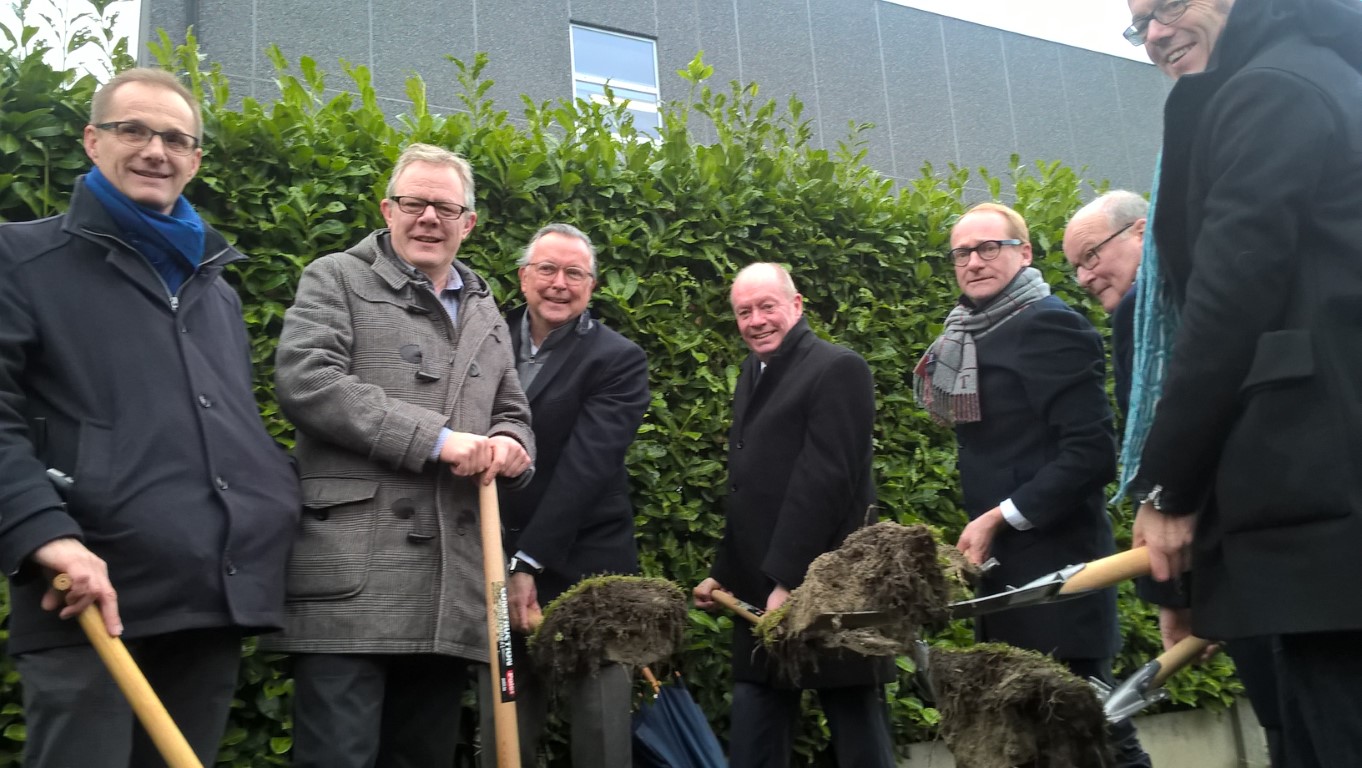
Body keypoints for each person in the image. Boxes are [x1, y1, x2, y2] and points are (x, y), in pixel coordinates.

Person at [0, 68, 301, 767]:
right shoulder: (21, 260)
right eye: (133, 129)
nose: (154, 150)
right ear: (91, 140)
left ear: (195, 160)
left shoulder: (213, 285)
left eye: (174, 138)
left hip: (208, 593)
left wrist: (270, 501)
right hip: (87, 592)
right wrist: (49, 537)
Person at [1120, 0, 1362, 764]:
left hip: (1327, 532)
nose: (1155, 32)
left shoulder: (1271, 91)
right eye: (1138, 23)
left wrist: (1167, 488)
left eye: (1168, 6)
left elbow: (1227, 305)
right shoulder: (1331, 76)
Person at [267, 143, 536, 768]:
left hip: (453, 592)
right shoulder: (335, 277)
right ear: (387, 209)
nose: (429, 219)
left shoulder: (485, 307)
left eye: (446, 207)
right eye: (414, 203)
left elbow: (513, 411)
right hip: (352, 587)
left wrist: (513, 447)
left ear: (468, 222)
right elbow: (310, 381)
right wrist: (440, 441)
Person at [914, 203, 1150, 768]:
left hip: (1060, 579)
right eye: (962, 253)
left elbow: (1091, 454)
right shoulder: (967, 332)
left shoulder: (1049, 322)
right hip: (1004, 580)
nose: (973, 261)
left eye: (987, 247)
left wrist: (1002, 516)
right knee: (1040, 747)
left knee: (1094, 738)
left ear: (1024, 253)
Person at [693, 263, 894, 768]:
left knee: (857, 736)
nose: (756, 320)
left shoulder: (838, 368)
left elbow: (825, 481)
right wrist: (725, 570)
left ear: (797, 305)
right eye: (744, 311)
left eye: (767, 307)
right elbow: (749, 490)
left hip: (833, 590)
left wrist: (789, 580)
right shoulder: (751, 372)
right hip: (761, 592)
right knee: (756, 735)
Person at [476, 223, 650, 767]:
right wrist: (504, 560)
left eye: (574, 273)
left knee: (600, 726)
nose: (559, 283)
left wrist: (530, 559)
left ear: (592, 286)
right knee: (502, 716)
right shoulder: (485, 339)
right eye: (546, 269)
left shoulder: (618, 358)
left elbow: (587, 467)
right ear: (524, 277)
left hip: (589, 569)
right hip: (492, 560)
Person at [1062, 190, 1147, 414]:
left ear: (1142, 233)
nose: (1082, 280)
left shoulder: (1139, 304)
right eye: (1076, 268)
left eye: (1090, 255)